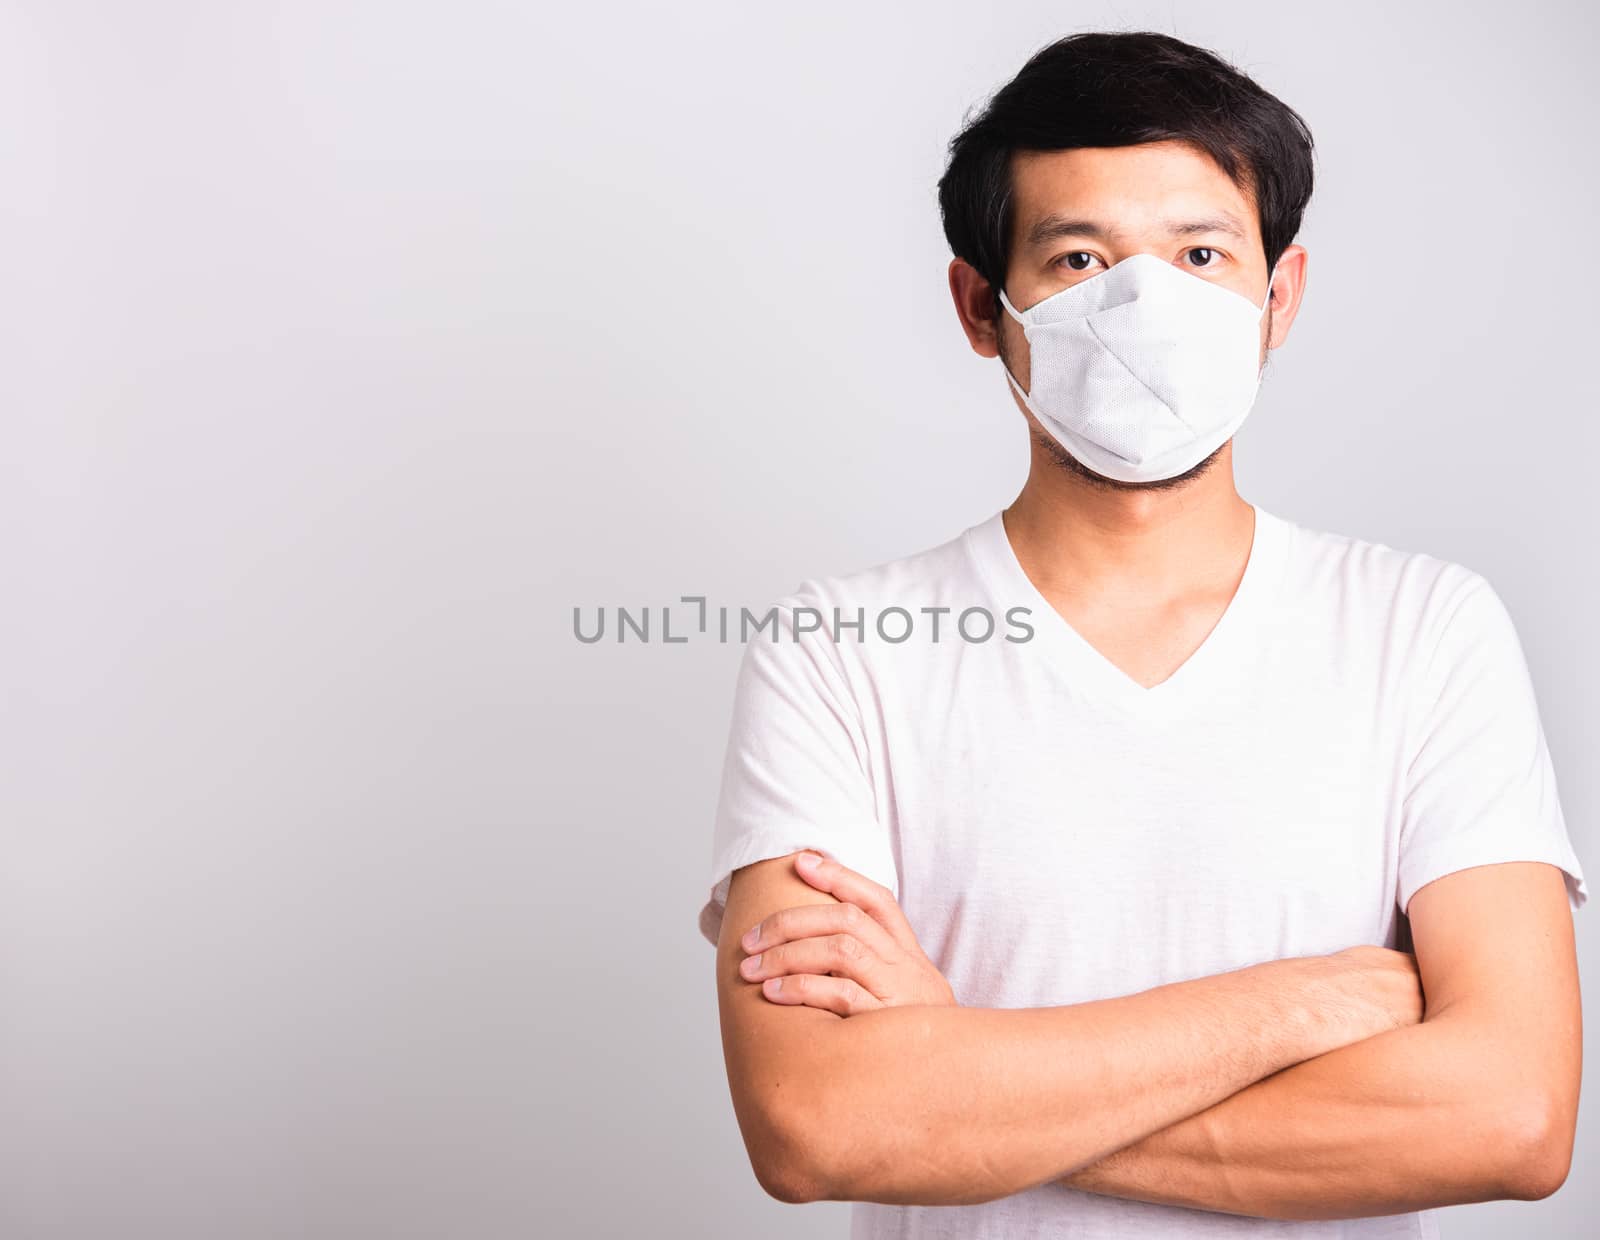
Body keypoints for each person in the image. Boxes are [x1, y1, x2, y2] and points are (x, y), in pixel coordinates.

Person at [696, 30, 1586, 1239]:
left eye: (1200, 252)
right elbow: (818, 1123)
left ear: (1278, 299)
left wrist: (957, 1075)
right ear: (979, 306)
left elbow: (1512, 1117)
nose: (1142, 302)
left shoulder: (1423, 631)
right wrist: (1297, 1007)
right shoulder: (839, 650)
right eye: (1076, 257)